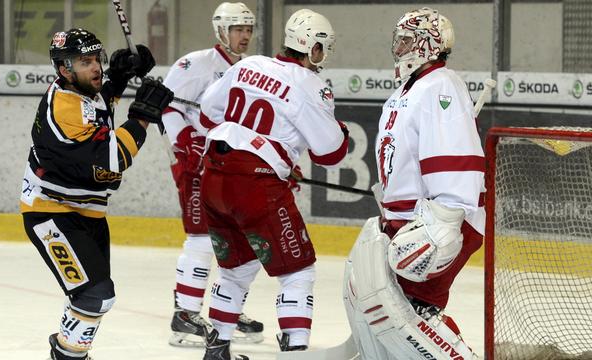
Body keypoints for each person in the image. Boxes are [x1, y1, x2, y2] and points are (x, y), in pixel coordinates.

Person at [197, 9, 349, 360]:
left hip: (214, 179)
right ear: (312, 47)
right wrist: (334, 131)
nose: (323, 56)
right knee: (298, 270)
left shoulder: (247, 65)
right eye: (322, 48)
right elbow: (330, 153)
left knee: (236, 268)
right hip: (255, 185)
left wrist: (273, 148)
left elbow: (207, 112)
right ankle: (295, 351)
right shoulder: (312, 85)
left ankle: (217, 348)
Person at [20, 28, 173, 360]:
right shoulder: (62, 108)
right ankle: (67, 355)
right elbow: (113, 160)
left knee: (90, 297)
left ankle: (68, 351)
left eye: (97, 60)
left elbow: (101, 102)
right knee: (95, 296)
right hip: (52, 213)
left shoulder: (84, 92)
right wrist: (142, 117)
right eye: (85, 62)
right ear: (63, 69)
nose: (95, 68)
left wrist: (120, 75)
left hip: (88, 212)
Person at [342, 8, 483, 359]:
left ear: (427, 44)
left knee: (414, 319)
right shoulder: (408, 90)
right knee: (388, 315)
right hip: (408, 222)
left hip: (438, 224)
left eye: (407, 39)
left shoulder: (440, 85)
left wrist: (445, 224)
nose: (399, 47)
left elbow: (455, 157)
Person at [160, 2, 263, 348]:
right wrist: (185, 140)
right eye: (238, 29)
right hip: (196, 164)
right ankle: (185, 314)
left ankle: (227, 310)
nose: (245, 35)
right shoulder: (196, 64)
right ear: (221, 30)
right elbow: (168, 106)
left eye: (248, 29)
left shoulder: (252, 68)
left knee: (241, 240)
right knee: (202, 238)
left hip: (234, 166)